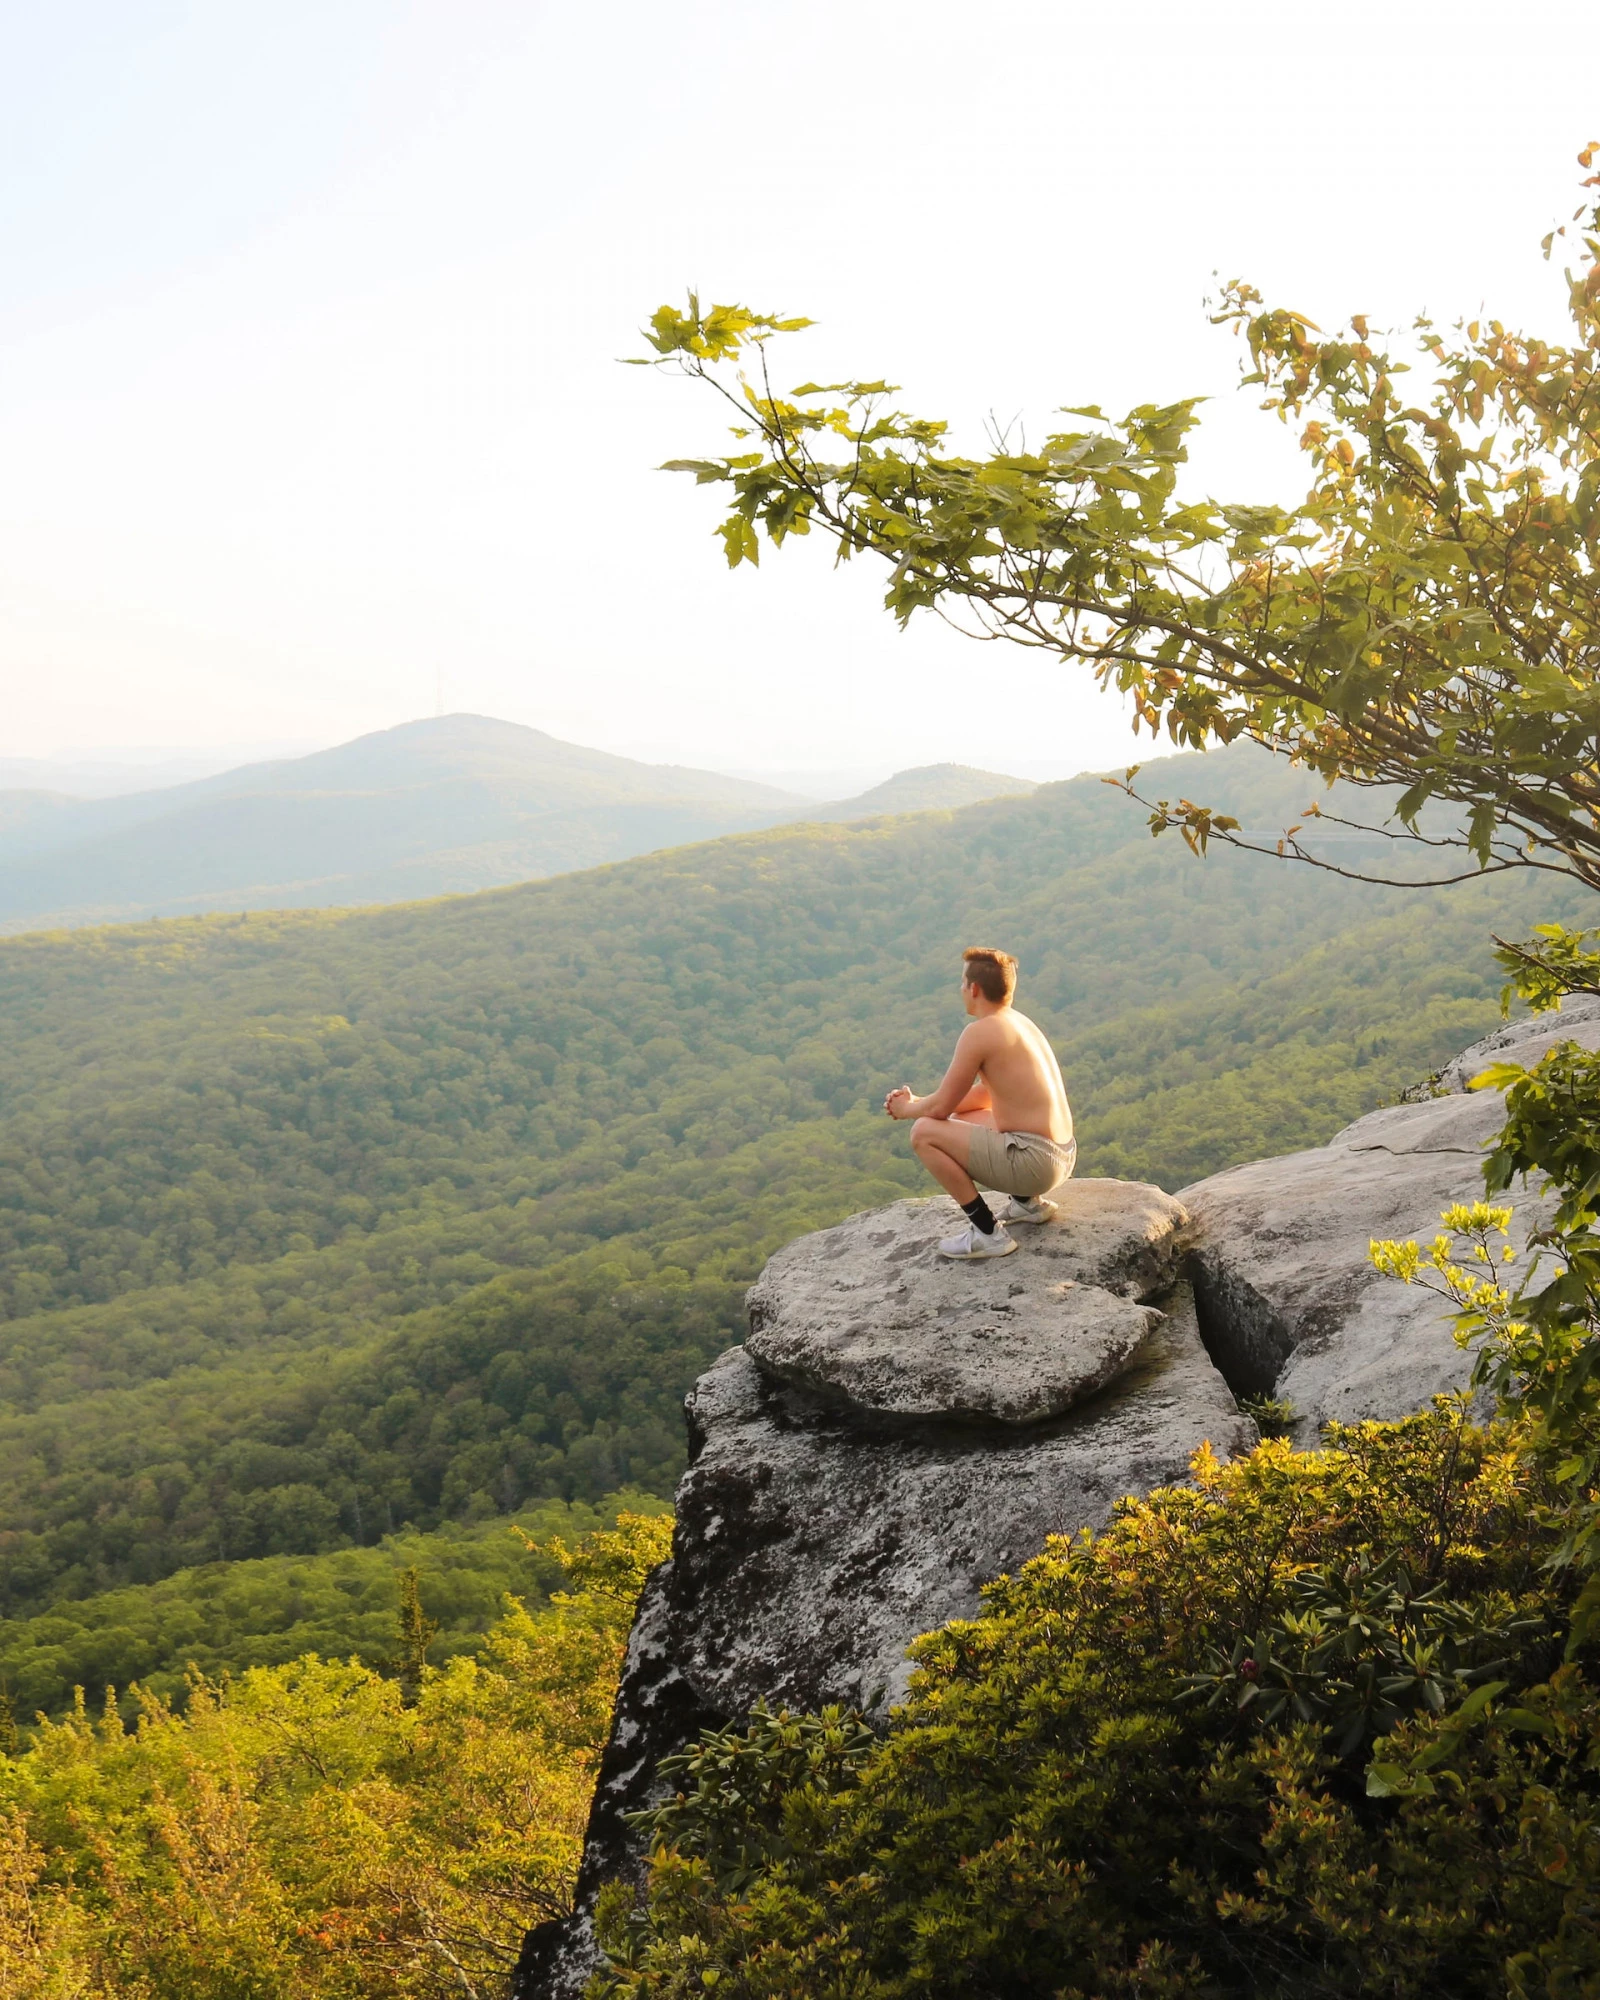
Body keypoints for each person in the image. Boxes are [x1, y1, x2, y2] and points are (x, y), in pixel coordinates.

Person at [884, 946, 1076, 1260]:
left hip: (1035, 1162)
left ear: (974, 989)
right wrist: (920, 1100)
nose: (961, 990)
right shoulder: (1019, 1023)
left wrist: (908, 1110)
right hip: (1060, 1155)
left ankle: (987, 1232)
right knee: (965, 1113)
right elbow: (980, 1096)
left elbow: (939, 1111)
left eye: (962, 984)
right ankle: (1027, 1203)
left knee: (923, 1132)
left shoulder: (979, 1032)